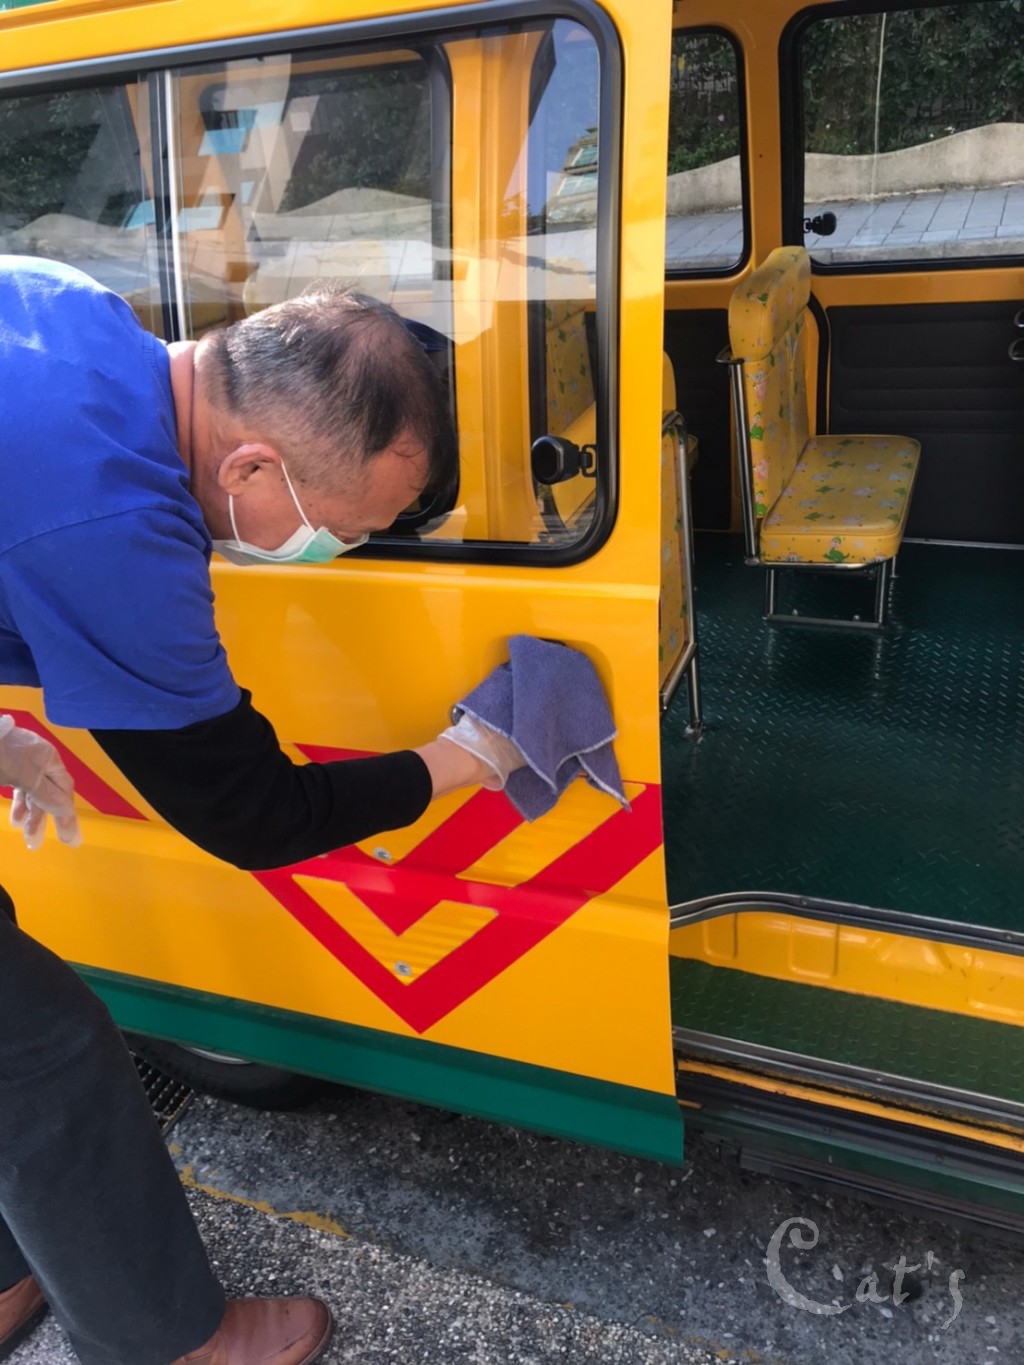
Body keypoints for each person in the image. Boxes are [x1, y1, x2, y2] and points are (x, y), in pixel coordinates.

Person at [0, 255, 524, 1365]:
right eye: (344, 528)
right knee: (39, 1056)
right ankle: (166, 1343)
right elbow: (253, 813)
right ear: (250, 466)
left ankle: (15, 1264)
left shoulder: (67, 308)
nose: (346, 550)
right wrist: (466, 756)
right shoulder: (116, 531)